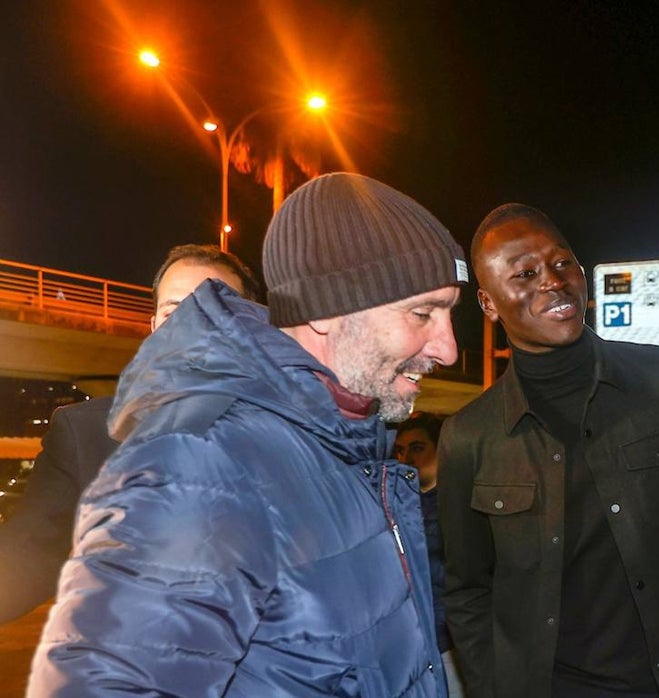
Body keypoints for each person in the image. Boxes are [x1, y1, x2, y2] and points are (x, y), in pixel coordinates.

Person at [28, 172, 468, 696]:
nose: (448, 348)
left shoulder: (349, 445)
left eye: (448, 314)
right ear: (328, 311)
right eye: (423, 313)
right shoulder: (205, 467)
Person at [438, 203, 659, 698]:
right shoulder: (468, 437)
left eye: (563, 263)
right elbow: (467, 589)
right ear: (487, 302)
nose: (552, 281)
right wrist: (492, 686)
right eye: (525, 273)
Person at [0, 244, 260, 624]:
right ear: (154, 327)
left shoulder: (293, 434)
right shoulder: (85, 433)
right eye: (174, 311)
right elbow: (27, 553)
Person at [394, 412, 467, 697]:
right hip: (408, 639)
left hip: (448, 641)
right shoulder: (395, 501)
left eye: (417, 448)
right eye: (400, 450)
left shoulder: (459, 503)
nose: (406, 458)